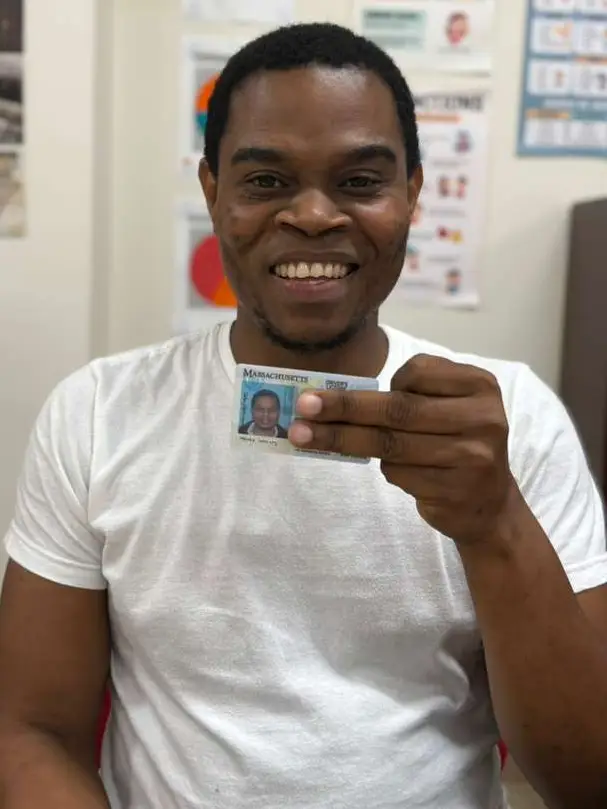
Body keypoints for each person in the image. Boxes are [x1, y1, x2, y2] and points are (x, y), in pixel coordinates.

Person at [0, 21, 607, 809]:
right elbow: (31, 730)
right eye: (264, 181)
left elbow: (587, 777)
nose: (314, 215)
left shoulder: (510, 419)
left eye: (359, 181)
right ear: (212, 191)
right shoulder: (97, 413)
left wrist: (494, 526)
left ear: (413, 194)